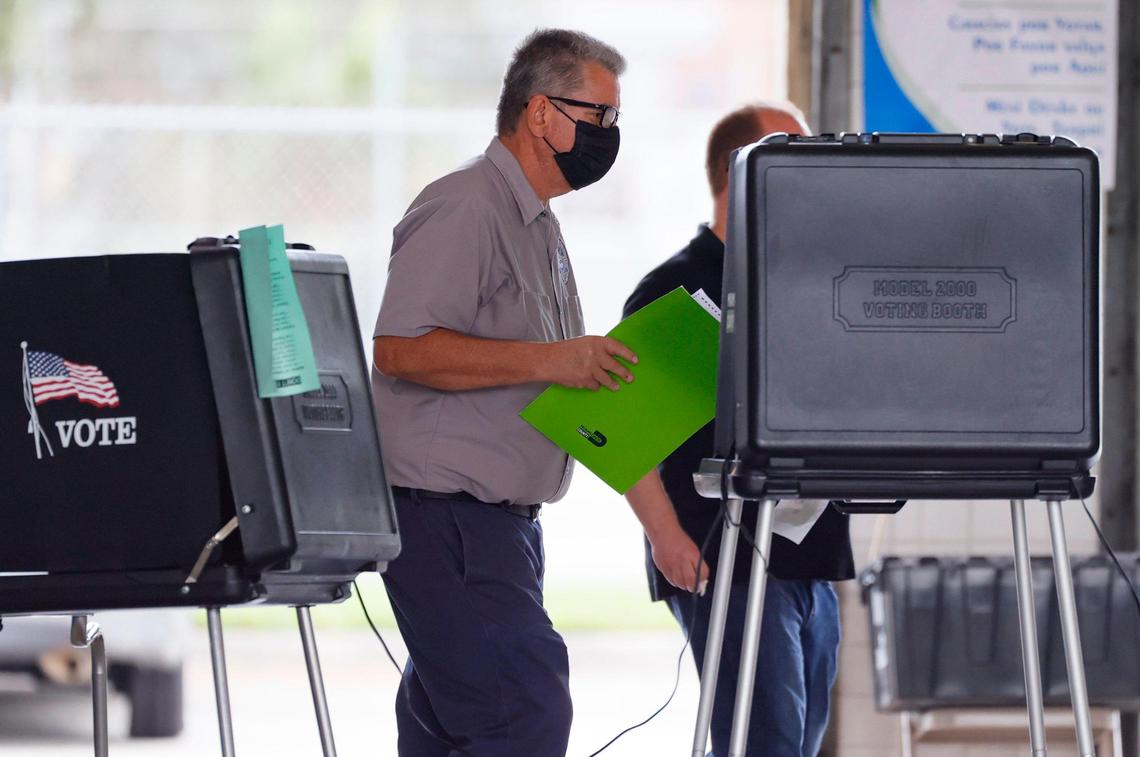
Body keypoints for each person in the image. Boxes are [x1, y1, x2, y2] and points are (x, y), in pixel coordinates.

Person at [371, 29, 634, 757]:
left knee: (450, 724)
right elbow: (402, 348)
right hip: (448, 522)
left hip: (500, 529)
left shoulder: (538, 226)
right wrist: (555, 359)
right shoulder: (466, 207)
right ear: (541, 113)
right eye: (598, 116)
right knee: (522, 711)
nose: (608, 136)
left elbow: (535, 369)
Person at [622, 104, 855, 757]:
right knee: (766, 741)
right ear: (738, 169)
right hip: (723, 560)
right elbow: (624, 430)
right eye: (795, 157)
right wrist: (664, 534)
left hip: (810, 559)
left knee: (801, 739)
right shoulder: (679, 288)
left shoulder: (806, 284)